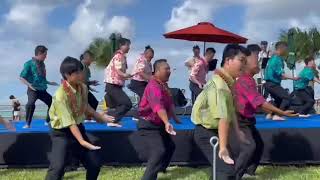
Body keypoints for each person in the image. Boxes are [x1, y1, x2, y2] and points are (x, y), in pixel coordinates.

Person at [233, 44, 298, 179]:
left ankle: (248, 172)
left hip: (248, 120)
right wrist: (281, 112)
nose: (259, 62)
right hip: (239, 120)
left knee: (259, 145)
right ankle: (234, 176)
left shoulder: (249, 80)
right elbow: (261, 103)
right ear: (245, 60)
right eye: (256, 58)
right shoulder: (243, 80)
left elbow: (259, 103)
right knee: (249, 147)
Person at [45, 57, 114, 180]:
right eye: (77, 73)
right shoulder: (60, 95)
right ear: (67, 75)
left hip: (78, 128)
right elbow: (70, 122)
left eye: (81, 71)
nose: (81, 75)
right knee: (58, 167)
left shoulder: (83, 87)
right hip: (61, 132)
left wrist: (102, 117)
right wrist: (82, 142)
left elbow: (85, 106)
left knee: (94, 164)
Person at [191, 44, 249, 180]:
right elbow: (222, 117)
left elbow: (231, 109)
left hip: (215, 131)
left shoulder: (229, 83)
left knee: (224, 169)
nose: (244, 65)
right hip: (206, 132)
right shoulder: (220, 86)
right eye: (241, 60)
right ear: (228, 61)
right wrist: (223, 148)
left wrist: (237, 130)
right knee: (226, 171)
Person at [138, 59, 181, 180]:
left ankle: (160, 168)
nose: (169, 71)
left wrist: (175, 118)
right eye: (166, 69)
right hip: (148, 125)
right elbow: (158, 107)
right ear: (157, 71)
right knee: (158, 151)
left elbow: (169, 103)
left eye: (169, 69)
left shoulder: (164, 85)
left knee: (170, 146)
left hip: (159, 124)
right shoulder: (153, 86)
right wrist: (167, 122)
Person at [19, 45, 58, 128]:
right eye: (45, 55)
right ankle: (27, 124)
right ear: (39, 53)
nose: (46, 57)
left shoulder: (43, 64)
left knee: (53, 102)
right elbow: (21, 77)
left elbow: (42, 79)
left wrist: (50, 82)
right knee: (30, 104)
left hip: (42, 90)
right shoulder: (28, 64)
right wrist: (29, 85)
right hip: (33, 90)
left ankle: (47, 121)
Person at [264, 41, 299, 120]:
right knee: (287, 98)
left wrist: (284, 77)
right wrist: (294, 78)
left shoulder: (271, 59)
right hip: (273, 84)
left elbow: (275, 73)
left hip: (268, 84)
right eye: (286, 49)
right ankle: (277, 115)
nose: (286, 51)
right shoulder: (277, 59)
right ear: (282, 48)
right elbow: (281, 74)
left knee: (278, 99)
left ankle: (270, 115)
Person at [104, 38, 133, 127]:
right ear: (121, 46)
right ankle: (112, 120)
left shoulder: (121, 56)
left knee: (117, 105)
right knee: (127, 103)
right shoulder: (119, 56)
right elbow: (118, 71)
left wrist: (126, 76)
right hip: (113, 85)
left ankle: (112, 120)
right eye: (127, 45)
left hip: (114, 85)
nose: (129, 47)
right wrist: (126, 75)